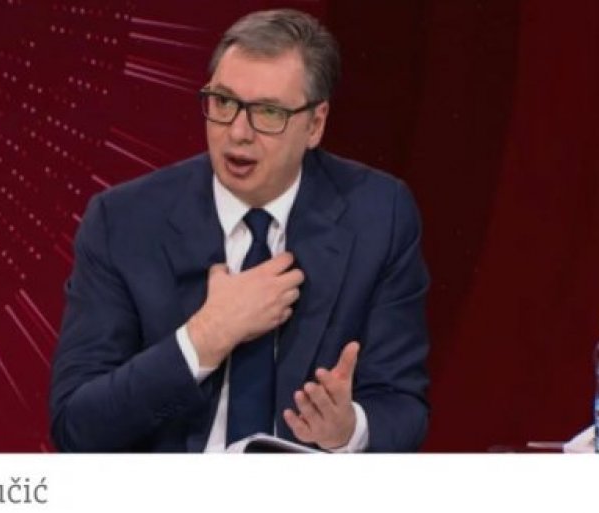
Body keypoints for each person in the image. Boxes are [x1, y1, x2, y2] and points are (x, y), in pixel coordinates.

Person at [49, 8, 429, 452]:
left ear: (315, 124)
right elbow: (76, 426)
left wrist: (348, 431)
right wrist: (203, 339)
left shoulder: (378, 216)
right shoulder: (124, 223)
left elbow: (403, 405)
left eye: (268, 112)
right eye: (224, 103)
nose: (238, 132)